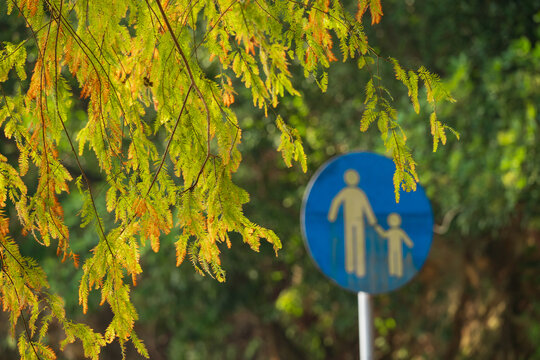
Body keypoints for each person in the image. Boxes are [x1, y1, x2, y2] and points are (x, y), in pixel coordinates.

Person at [328, 169, 377, 277]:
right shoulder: (345, 192)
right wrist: (332, 215)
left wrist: (371, 219)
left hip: (359, 221)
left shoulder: (360, 193)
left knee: (359, 243)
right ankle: (350, 267)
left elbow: (366, 207)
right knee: (349, 242)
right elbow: (336, 202)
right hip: (348, 221)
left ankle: (360, 268)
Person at [375, 213, 413, 277]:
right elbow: (384, 235)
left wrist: (410, 244)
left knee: (398, 259)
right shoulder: (390, 231)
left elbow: (405, 238)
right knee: (392, 259)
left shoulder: (399, 231)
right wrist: (378, 228)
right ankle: (392, 272)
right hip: (391, 249)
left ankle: (398, 272)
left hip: (398, 249)